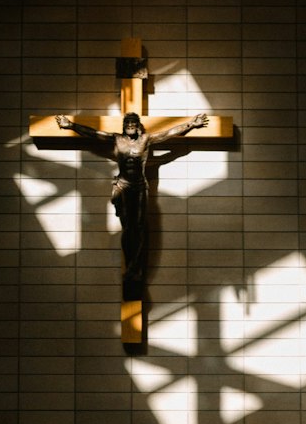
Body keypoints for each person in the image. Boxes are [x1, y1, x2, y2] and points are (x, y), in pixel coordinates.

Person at [55, 110, 208, 296]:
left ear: (138, 126)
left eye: (133, 124)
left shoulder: (146, 140)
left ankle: (135, 268)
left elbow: (169, 133)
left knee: (139, 226)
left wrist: (191, 124)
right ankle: (131, 267)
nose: (130, 127)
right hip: (123, 186)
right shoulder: (117, 139)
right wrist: (71, 126)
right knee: (128, 228)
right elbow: (93, 134)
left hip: (139, 186)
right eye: (127, 124)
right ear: (124, 126)